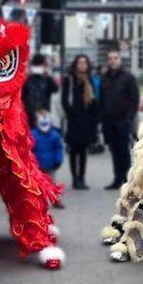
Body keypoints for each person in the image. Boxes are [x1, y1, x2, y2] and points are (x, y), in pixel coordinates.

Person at [100, 50, 139, 189]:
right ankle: (117, 179)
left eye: (115, 58)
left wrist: (128, 118)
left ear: (120, 60)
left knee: (123, 151)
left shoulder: (128, 77)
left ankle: (127, 180)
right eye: (110, 58)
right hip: (108, 121)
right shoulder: (105, 77)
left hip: (123, 121)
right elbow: (102, 98)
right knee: (114, 151)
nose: (112, 60)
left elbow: (134, 100)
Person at [61, 54, 99, 189]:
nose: (82, 65)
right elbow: (64, 100)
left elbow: (94, 100)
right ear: (76, 65)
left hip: (86, 120)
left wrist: (94, 118)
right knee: (73, 150)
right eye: (80, 63)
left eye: (84, 63)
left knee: (83, 150)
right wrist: (71, 115)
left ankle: (82, 178)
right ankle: (75, 179)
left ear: (87, 65)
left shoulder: (90, 80)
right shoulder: (69, 79)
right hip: (74, 120)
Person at [31, 110, 65, 208]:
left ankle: (55, 201)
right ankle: (37, 202)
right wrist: (32, 162)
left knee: (52, 184)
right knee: (37, 185)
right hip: (38, 166)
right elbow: (30, 149)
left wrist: (58, 160)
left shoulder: (55, 135)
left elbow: (59, 148)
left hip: (51, 165)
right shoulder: (33, 135)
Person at [22, 53, 58, 128]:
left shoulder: (47, 79)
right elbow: (22, 94)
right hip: (28, 113)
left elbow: (55, 89)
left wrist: (47, 75)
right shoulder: (28, 79)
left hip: (43, 113)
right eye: (36, 65)